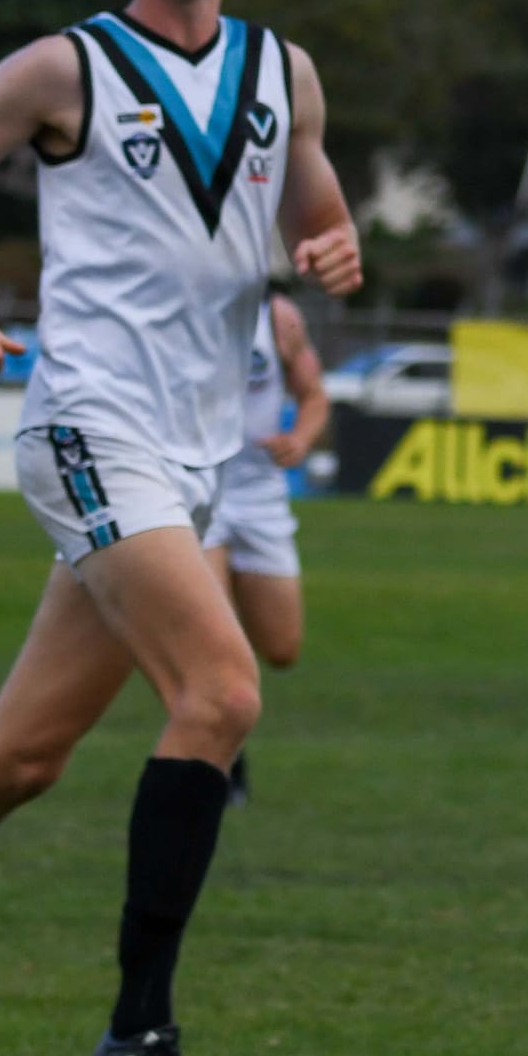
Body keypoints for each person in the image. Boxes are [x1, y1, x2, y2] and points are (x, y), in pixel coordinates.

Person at [0, 0, 362, 1056]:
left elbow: (313, 202)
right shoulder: (60, 68)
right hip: (91, 426)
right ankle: (138, 1030)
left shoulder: (283, 73)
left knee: (20, 760)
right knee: (223, 690)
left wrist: (332, 244)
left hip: (199, 454)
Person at [206, 288, 331, 806]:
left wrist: (300, 439)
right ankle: (221, 764)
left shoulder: (277, 317)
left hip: (260, 498)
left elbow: (314, 396)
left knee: (281, 649)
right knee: (212, 645)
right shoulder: (178, 301)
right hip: (199, 491)